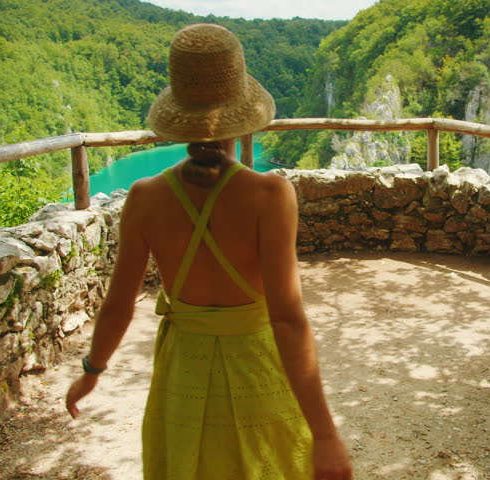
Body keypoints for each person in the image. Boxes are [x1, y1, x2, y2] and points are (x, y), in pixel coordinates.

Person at [65, 23, 352, 480]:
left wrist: (91, 371)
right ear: (243, 112)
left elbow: (118, 303)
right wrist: (325, 435)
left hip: (183, 375)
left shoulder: (144, 196)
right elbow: (287, 319)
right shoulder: (270, 195)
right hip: (256, 368)